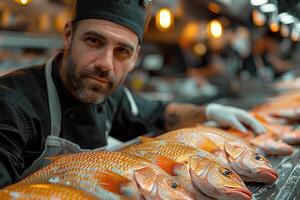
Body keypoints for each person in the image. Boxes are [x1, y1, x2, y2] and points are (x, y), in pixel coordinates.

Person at [0, 0, 265, 188]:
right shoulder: (11, 106)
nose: (105, 63)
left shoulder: (111, 94)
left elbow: (164, 114)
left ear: (136, 57)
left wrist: (208, 112)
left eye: (122, 51)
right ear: (68, 35)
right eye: (94, 41)